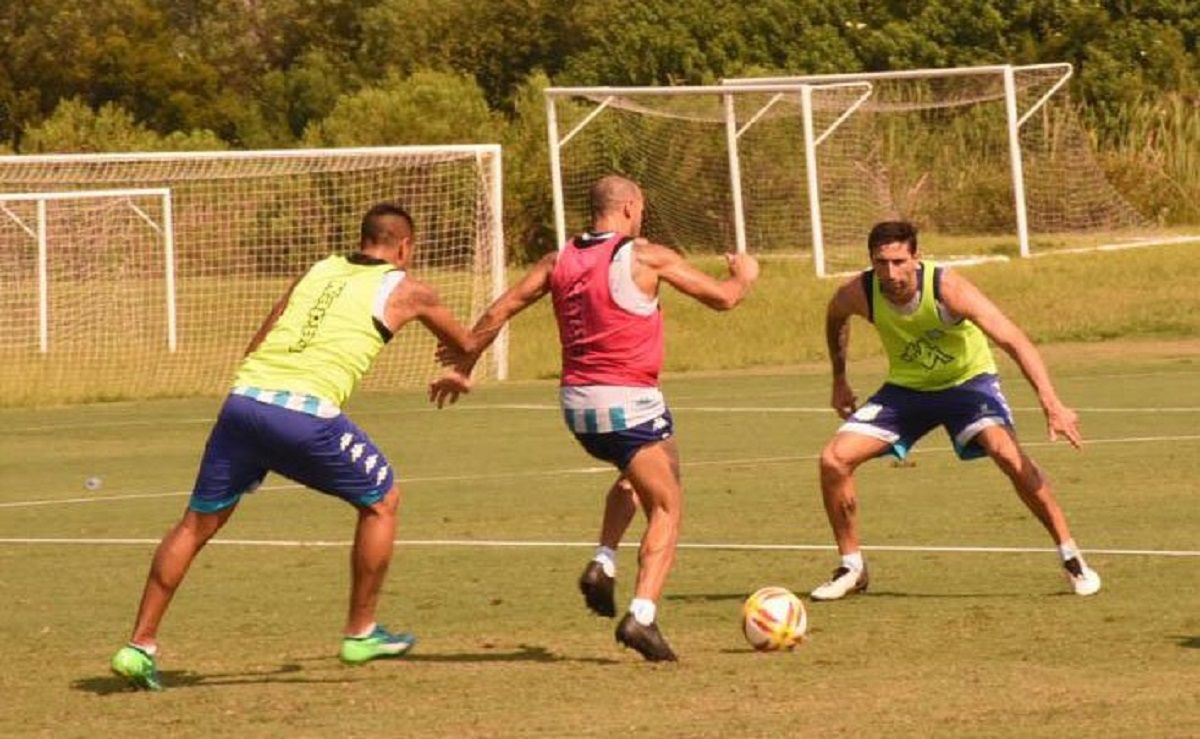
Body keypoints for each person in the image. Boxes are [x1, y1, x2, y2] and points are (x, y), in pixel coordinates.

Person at [110, 202, 481, 690]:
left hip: (243, 403)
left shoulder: (320, 269)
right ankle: (362, 631)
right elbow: (469, 342)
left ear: (364, 237)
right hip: (304, 415)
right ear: (405, 247)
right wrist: (460, 370)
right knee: (382, 501)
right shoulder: (409, 290)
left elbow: (261, 339)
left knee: (195, 525)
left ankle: (138, 645)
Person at [430, 175, 759, 661]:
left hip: (577, 408)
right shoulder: (645, 255)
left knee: (635, 477)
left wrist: (465, 363)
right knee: (667, 506)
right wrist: (745, 274)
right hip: (628, 402)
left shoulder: (557, 259)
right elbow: (724, 298)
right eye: (641, 207)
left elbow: (505, 307)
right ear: (629, 206)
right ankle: (642, 617)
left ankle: (603, 562)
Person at [810, 220, 1101, 601]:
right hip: (906, 391)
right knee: (833, 460)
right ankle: (852, 568)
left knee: (1006, 453)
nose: (891, 273)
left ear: (916, 257)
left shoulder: (947, 289)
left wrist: (1052, 402)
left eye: (899, 261)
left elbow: (1012, 339)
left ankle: (1071, 556)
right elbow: (835, 318)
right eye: (881, 263)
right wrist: (839, 379)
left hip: (968, 385)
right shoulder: (860, 292)